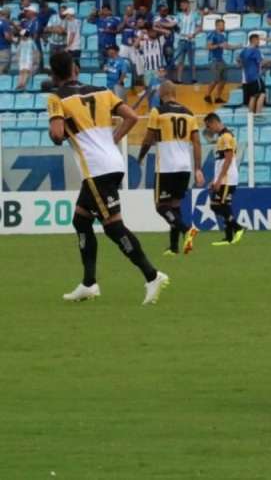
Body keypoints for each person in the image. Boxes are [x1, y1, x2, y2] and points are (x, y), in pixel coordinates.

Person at [47, 51, 169, 305]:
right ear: (75, 69)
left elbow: (57, 135)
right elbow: (132, 117)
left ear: (54, 74)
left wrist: (60, 130)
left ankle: (152, 275)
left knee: (113, 227)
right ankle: (89, 284)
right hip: (112, 162)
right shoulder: (102, 91)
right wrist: (112, 139)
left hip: (96, 169)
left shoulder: (57, 98)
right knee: (81, 220)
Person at [136, 82, 204, 257]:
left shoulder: (157, 111)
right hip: (184, 167)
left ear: (162, 93)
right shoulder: (189, 114)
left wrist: (141, 156)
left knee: (161, 207)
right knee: (175, 206)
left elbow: (148, 138)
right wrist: (198, 168)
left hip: (167, 167)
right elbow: (197, 143)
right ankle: (174, 247)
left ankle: (187, 230)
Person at [203, 113, 243, 247]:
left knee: (217, 205)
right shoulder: (222, 136)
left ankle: (238, 227)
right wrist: (215, 179)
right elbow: (220, 162)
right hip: (224, 178)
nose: (208, 129)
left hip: (227, 178)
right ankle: (229, 238)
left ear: (214, 122)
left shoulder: (226, 136)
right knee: (224, 206)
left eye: (208, 126)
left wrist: (219, 180)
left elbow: (228, 159)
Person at [204, 19, 233, 105]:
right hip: (214, 60)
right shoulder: (212, 34)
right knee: (215, 79)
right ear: (217, 26)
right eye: (222, 25)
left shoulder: (222, 36)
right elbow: (208, 47)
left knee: (223, 79)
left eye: (224, 25)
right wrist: (219, 45)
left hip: (221, 60)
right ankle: (207, 95)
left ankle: (217, 97)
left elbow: (227, 46)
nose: (223, 26)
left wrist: (238, 46)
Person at [239, 32, 267, 115]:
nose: (259, 42)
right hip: (255, 76)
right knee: (262, 94)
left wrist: (244, 66)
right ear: (254, 40)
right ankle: (258, 114)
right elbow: (260, 63)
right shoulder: (255, 51)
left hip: (248, 77)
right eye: (258, 40)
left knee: (253, 96)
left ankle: (250, 116)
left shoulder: (244, 51)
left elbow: (238, 59)